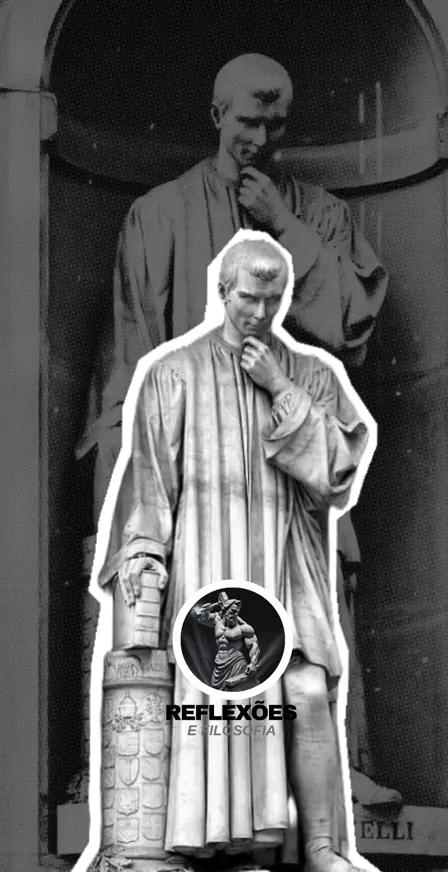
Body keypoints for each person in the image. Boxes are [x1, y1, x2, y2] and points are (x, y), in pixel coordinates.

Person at [78, 53, 398, 810]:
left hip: (290, 452)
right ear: (218, 116)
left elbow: (350, 328)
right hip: (197, 461)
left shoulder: (318, 214)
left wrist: (283, 225)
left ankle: (331, 775)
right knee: (190, 613)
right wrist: (123, 478)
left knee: (310, 620)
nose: (262, 138)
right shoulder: (160, 214)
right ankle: (166, 780)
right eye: (250, 121)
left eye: (277, 124)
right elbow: (134, 355)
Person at [96, 235, 371, 872]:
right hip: (203, 569)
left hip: (285, 565)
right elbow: (151, 484)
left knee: (306, 689)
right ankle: (212, 846)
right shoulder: (174, 373)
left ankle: (322, 847)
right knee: (212, 696)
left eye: (274, 300)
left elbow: (336, 472)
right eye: (249, 298)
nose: (260, 312)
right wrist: (144, 555)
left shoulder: (312, 375)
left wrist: (279, 386)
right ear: (222, 291)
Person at [193, 593, 260, 691]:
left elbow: (254, 644)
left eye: (237, 612)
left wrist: (253, 663)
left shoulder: (243, 628)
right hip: (219, 664)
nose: (235, 615)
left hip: (236, 663)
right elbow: (199, 616)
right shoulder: (217, 619)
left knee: (234, 690)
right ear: (225, 610)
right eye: (233, 611)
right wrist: (207, 609)